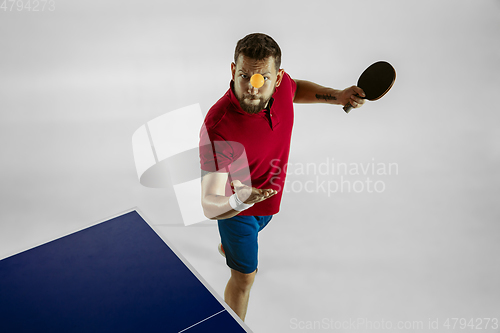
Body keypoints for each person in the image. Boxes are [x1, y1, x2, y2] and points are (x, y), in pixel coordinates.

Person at [199, 33, 365, 321]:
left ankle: (232, 248)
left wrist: (336, 96)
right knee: (245, 280)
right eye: (244, 75)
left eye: (262, 78)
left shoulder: (283, 87)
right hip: (237, 212)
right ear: (232, 71)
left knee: (252, 236)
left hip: (268, 201)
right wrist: (239, 201)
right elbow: (209, 204)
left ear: (277, 79)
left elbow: (297, 88)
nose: (252, 87)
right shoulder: (219, 127)